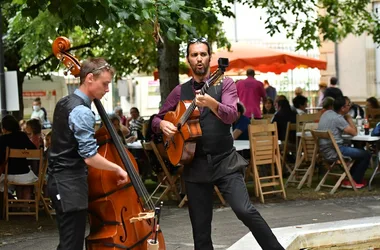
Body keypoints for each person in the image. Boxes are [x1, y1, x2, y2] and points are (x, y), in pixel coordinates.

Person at [152, 38, 284, 250]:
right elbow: (156, 119)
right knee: (200, 229)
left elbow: (232, 115)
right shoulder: (180, 91)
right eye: (194, 55)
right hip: (195, 166)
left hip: (225, 163)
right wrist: (161, 126)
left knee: (245, 210)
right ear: (188, 59)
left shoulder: (225, 83)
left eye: (203, 54)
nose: (199, 59)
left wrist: (212, 103)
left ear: (210, 58)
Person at [47, 58, 129, 250]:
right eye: (105, 83)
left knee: (69, 242)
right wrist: (117, 168)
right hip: (69, 184)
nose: (108, 89)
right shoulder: (82, 112)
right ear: (90, 78)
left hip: (60, 181)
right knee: (71, 244)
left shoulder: (64, 102)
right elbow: (90, 156)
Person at [318, 96, 370, 189]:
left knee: (359, 151)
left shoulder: (326, 113)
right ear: (342, 108)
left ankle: (352, 178)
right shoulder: (338, 118)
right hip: (335, 150)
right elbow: (354, 132)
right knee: (365, 154)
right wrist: (349, 118)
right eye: (348, 105)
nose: (350, 106)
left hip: (324, 150)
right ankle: (354, 181)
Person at [0, 115, 38, 200]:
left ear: (4, 128)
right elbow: (34, 150)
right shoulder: (22, 136)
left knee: (6, 185)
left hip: (8, 175)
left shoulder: (2, 139)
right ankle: (24, 206)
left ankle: (11, 205)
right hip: (23, 173)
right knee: (26, 184)